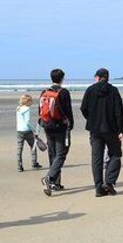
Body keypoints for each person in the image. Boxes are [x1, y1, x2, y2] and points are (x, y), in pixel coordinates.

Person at [80, 68, 123, 197]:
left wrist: (92, 119)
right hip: (111, 129)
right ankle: (109, 182)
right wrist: (121, 130)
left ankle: (98, 188)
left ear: (99, 77)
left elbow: (84, 108)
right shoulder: (113, 91)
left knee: (97, 158)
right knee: (116, 154)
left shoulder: (90, 90)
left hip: (94, 129)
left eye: (95, 77)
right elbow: (119, 112)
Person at [39, 68, 74, 196]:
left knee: (52, 154)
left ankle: (55, 183)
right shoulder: (63, 92)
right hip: (60, 127)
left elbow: (40, 110)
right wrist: (71, 125)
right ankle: (50, 178)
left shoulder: (45, 92)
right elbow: (68, 111)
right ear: (62, 78)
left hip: (47, 125)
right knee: (61, 154)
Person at [16, 94, 42, 172]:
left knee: (19, 149)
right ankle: (34, 163)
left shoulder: (18, 108)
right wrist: (34, 129)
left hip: (19, 130)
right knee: (33, 146)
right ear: (28, 101)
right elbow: (27, 122)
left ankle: (19, 166)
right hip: (27, 130)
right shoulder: (27, 109)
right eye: (31, 101)